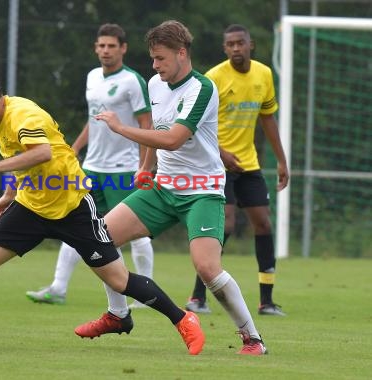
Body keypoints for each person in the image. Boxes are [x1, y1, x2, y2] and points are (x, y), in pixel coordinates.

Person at [0, 67, 206, 355]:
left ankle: (183, 319)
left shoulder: (23, 115)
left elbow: (42, 153)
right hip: (32, 206)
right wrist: (8, 193)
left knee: (118, 280)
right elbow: (19, 158)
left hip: (72, 206)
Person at [75, 20, 267, 355]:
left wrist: (121, 129)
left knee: (207, 268)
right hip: (163, 188)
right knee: (99, 237)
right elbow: (158, 130)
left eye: (161, 58)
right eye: (152, 58)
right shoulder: (155, 83)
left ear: (181, 53)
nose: (155, 65)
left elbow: (173, 139)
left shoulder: (202, 89)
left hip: (201, 191)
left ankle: (252, 339)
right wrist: (146, 168)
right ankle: (118, 315)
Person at [25, 23, 155, 310]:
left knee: (135, 230)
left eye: (111, 46)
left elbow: (147, 125)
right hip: (92, 166)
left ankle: (145, 293)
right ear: (96, 48)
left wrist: (145, 165)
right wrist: (76, 148)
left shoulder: (133, 81)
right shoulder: (93, 76)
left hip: (123, 168)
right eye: (101, 45)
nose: (105, 50)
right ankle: (58, 288)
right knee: (75, 221)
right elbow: (94, 118)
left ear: (123, 48)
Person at [185, 24, 289, 316]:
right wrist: (220, 153)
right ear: (224, 48)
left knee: (263, 224)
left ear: (250, 44)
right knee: (226, 225)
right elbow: (194, 125)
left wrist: (281, 160)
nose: (235, 49)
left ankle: (266, 301)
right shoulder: (213, 78)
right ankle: (197, 296)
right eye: (230, 44)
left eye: (240, 43)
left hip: (248, 164)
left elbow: (268, 118)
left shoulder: (264, 74)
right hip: (216, 163)